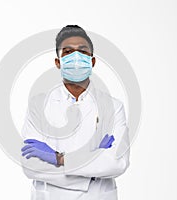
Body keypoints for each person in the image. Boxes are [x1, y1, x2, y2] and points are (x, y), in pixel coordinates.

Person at [20, 25, 130, 200]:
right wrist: (92, 166)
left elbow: (117, 163)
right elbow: (31, 166)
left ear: (92, 62)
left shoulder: (114, 107)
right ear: (58, 62)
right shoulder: (38, 105)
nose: (76, 58)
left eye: (83, 52)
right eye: (68, 52)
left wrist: (59, 159)